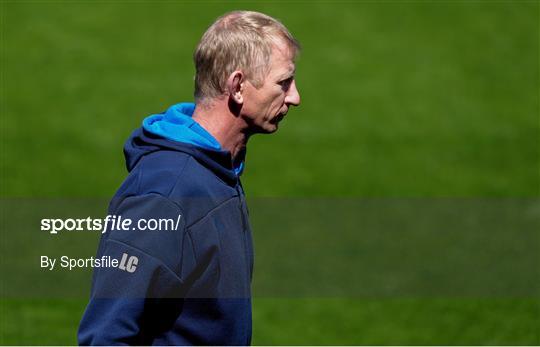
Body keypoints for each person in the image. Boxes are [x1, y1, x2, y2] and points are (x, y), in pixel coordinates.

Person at [78, 10, 301, 345]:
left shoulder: (218, 170)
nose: (295, 97)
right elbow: (106, 336)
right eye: (283, 83)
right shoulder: (164, 195)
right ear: (238, 87)